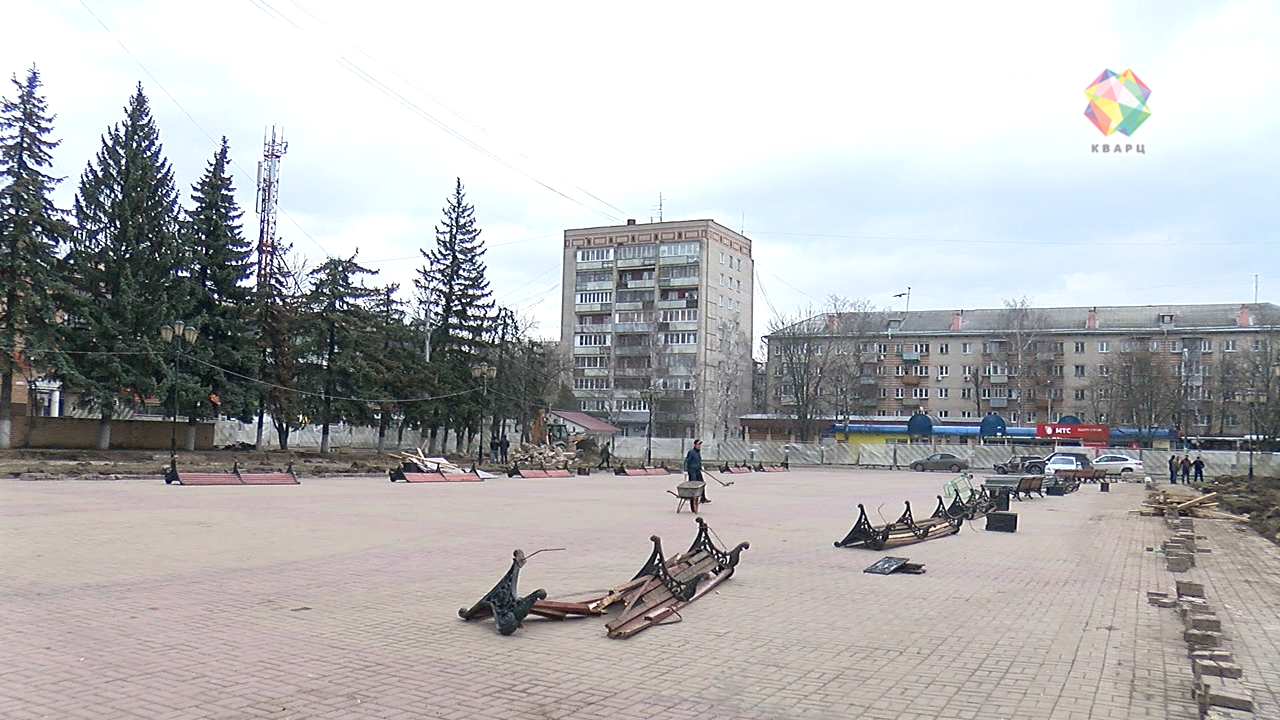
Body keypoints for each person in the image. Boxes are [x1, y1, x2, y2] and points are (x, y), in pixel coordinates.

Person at [684, 438, 709, 504]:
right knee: (693, 485)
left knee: (702, 483)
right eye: (698, 444)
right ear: (695, 445)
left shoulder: (698, 452)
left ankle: (703, 498)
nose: (699, 446)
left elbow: (698, 461)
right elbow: (687, 461)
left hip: (698, 470)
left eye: (700, 444)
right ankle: (692, 498)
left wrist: (701, 466)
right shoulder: (691, 452)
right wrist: (685, 470)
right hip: (692, 471)